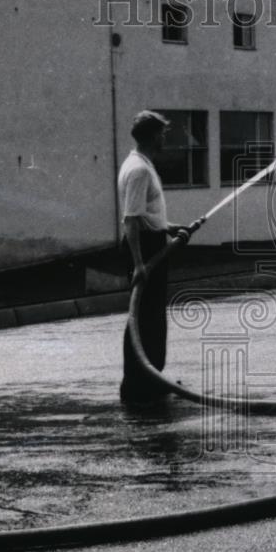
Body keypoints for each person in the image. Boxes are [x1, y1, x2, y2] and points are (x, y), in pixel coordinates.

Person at [117, 110, 191, 404]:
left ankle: (149, 378)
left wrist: (168, 228)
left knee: (150, 316)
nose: (164, 138)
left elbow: (145, 215)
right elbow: (131, 220)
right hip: (145, 248)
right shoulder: (138, 170)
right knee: (145, 317)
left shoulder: (142, 164)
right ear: (150, 136)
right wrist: (138, 264)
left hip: (153, 241)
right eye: (161, 134)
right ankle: (139, 384)